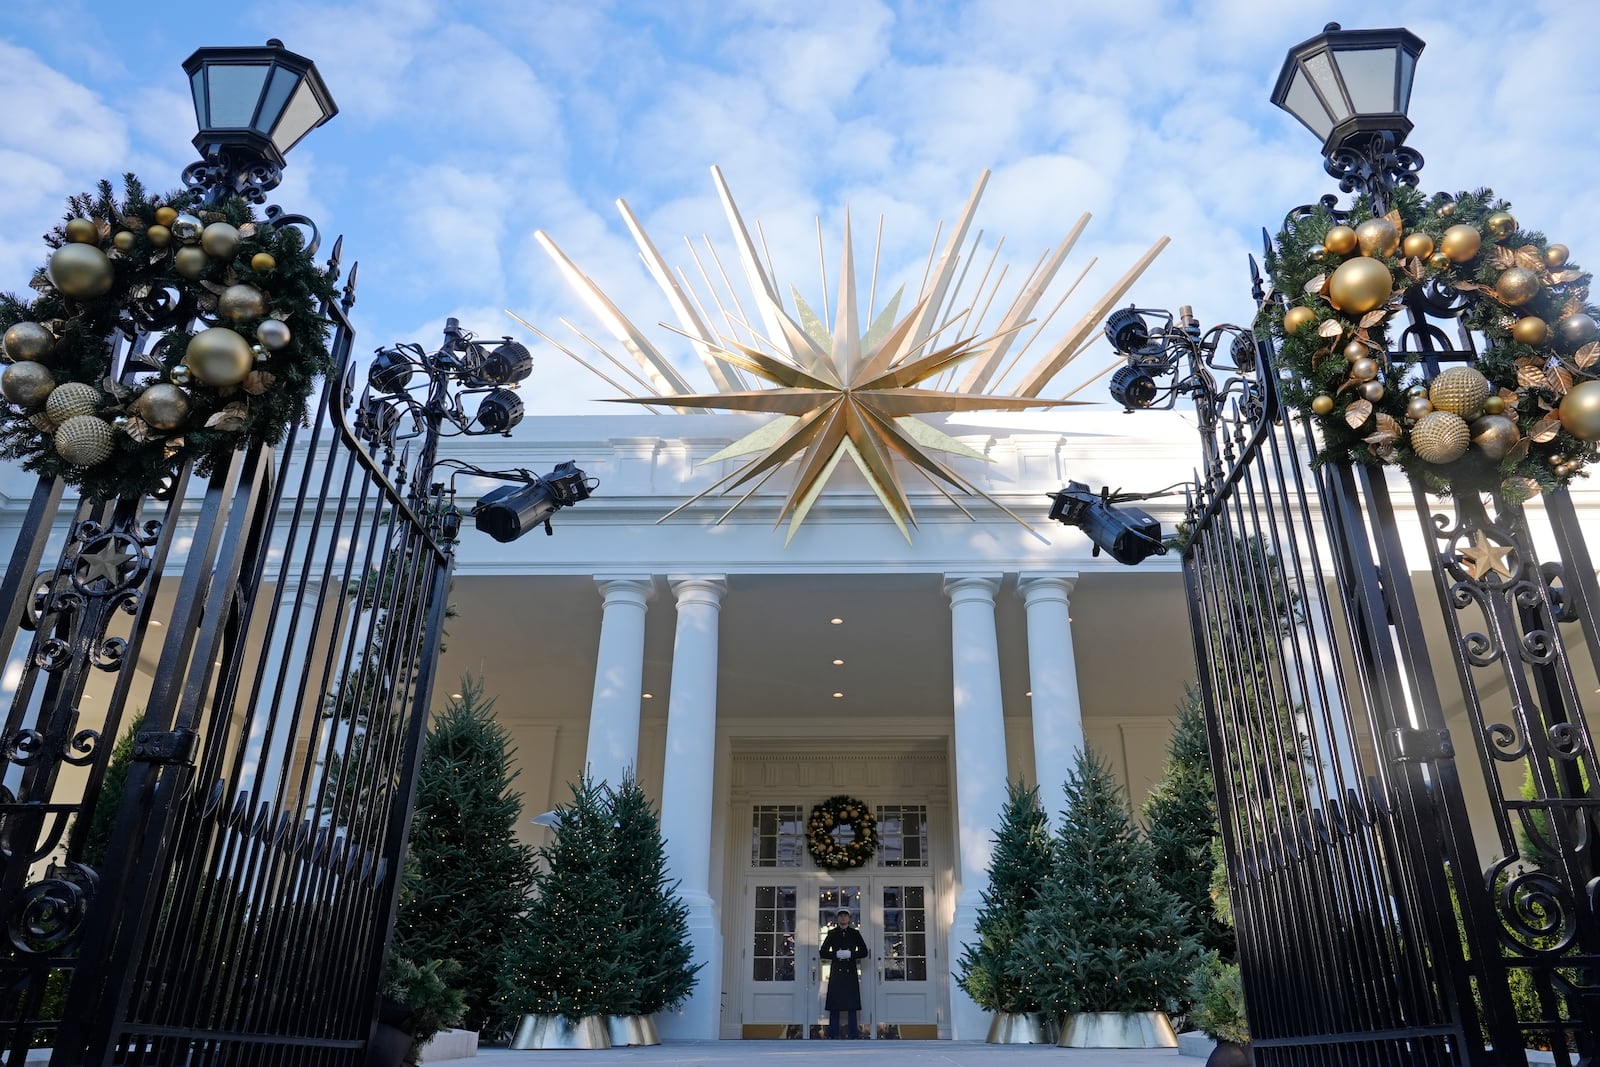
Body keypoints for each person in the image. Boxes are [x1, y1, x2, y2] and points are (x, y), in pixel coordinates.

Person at [819, 908, 869, 1039]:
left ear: (849, 918)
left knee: (851, 1005)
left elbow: (864, 951)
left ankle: (853, 1034)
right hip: (836, 972)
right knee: (834, 1005)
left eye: (845, 916)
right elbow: (823, 952)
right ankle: (833, 1034)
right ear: (837, 918)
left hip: (850, 972)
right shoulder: (832, 933)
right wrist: (835, 954)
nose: (843, 918)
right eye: (840, 916)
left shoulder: (855, 933)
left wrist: (851, 954)